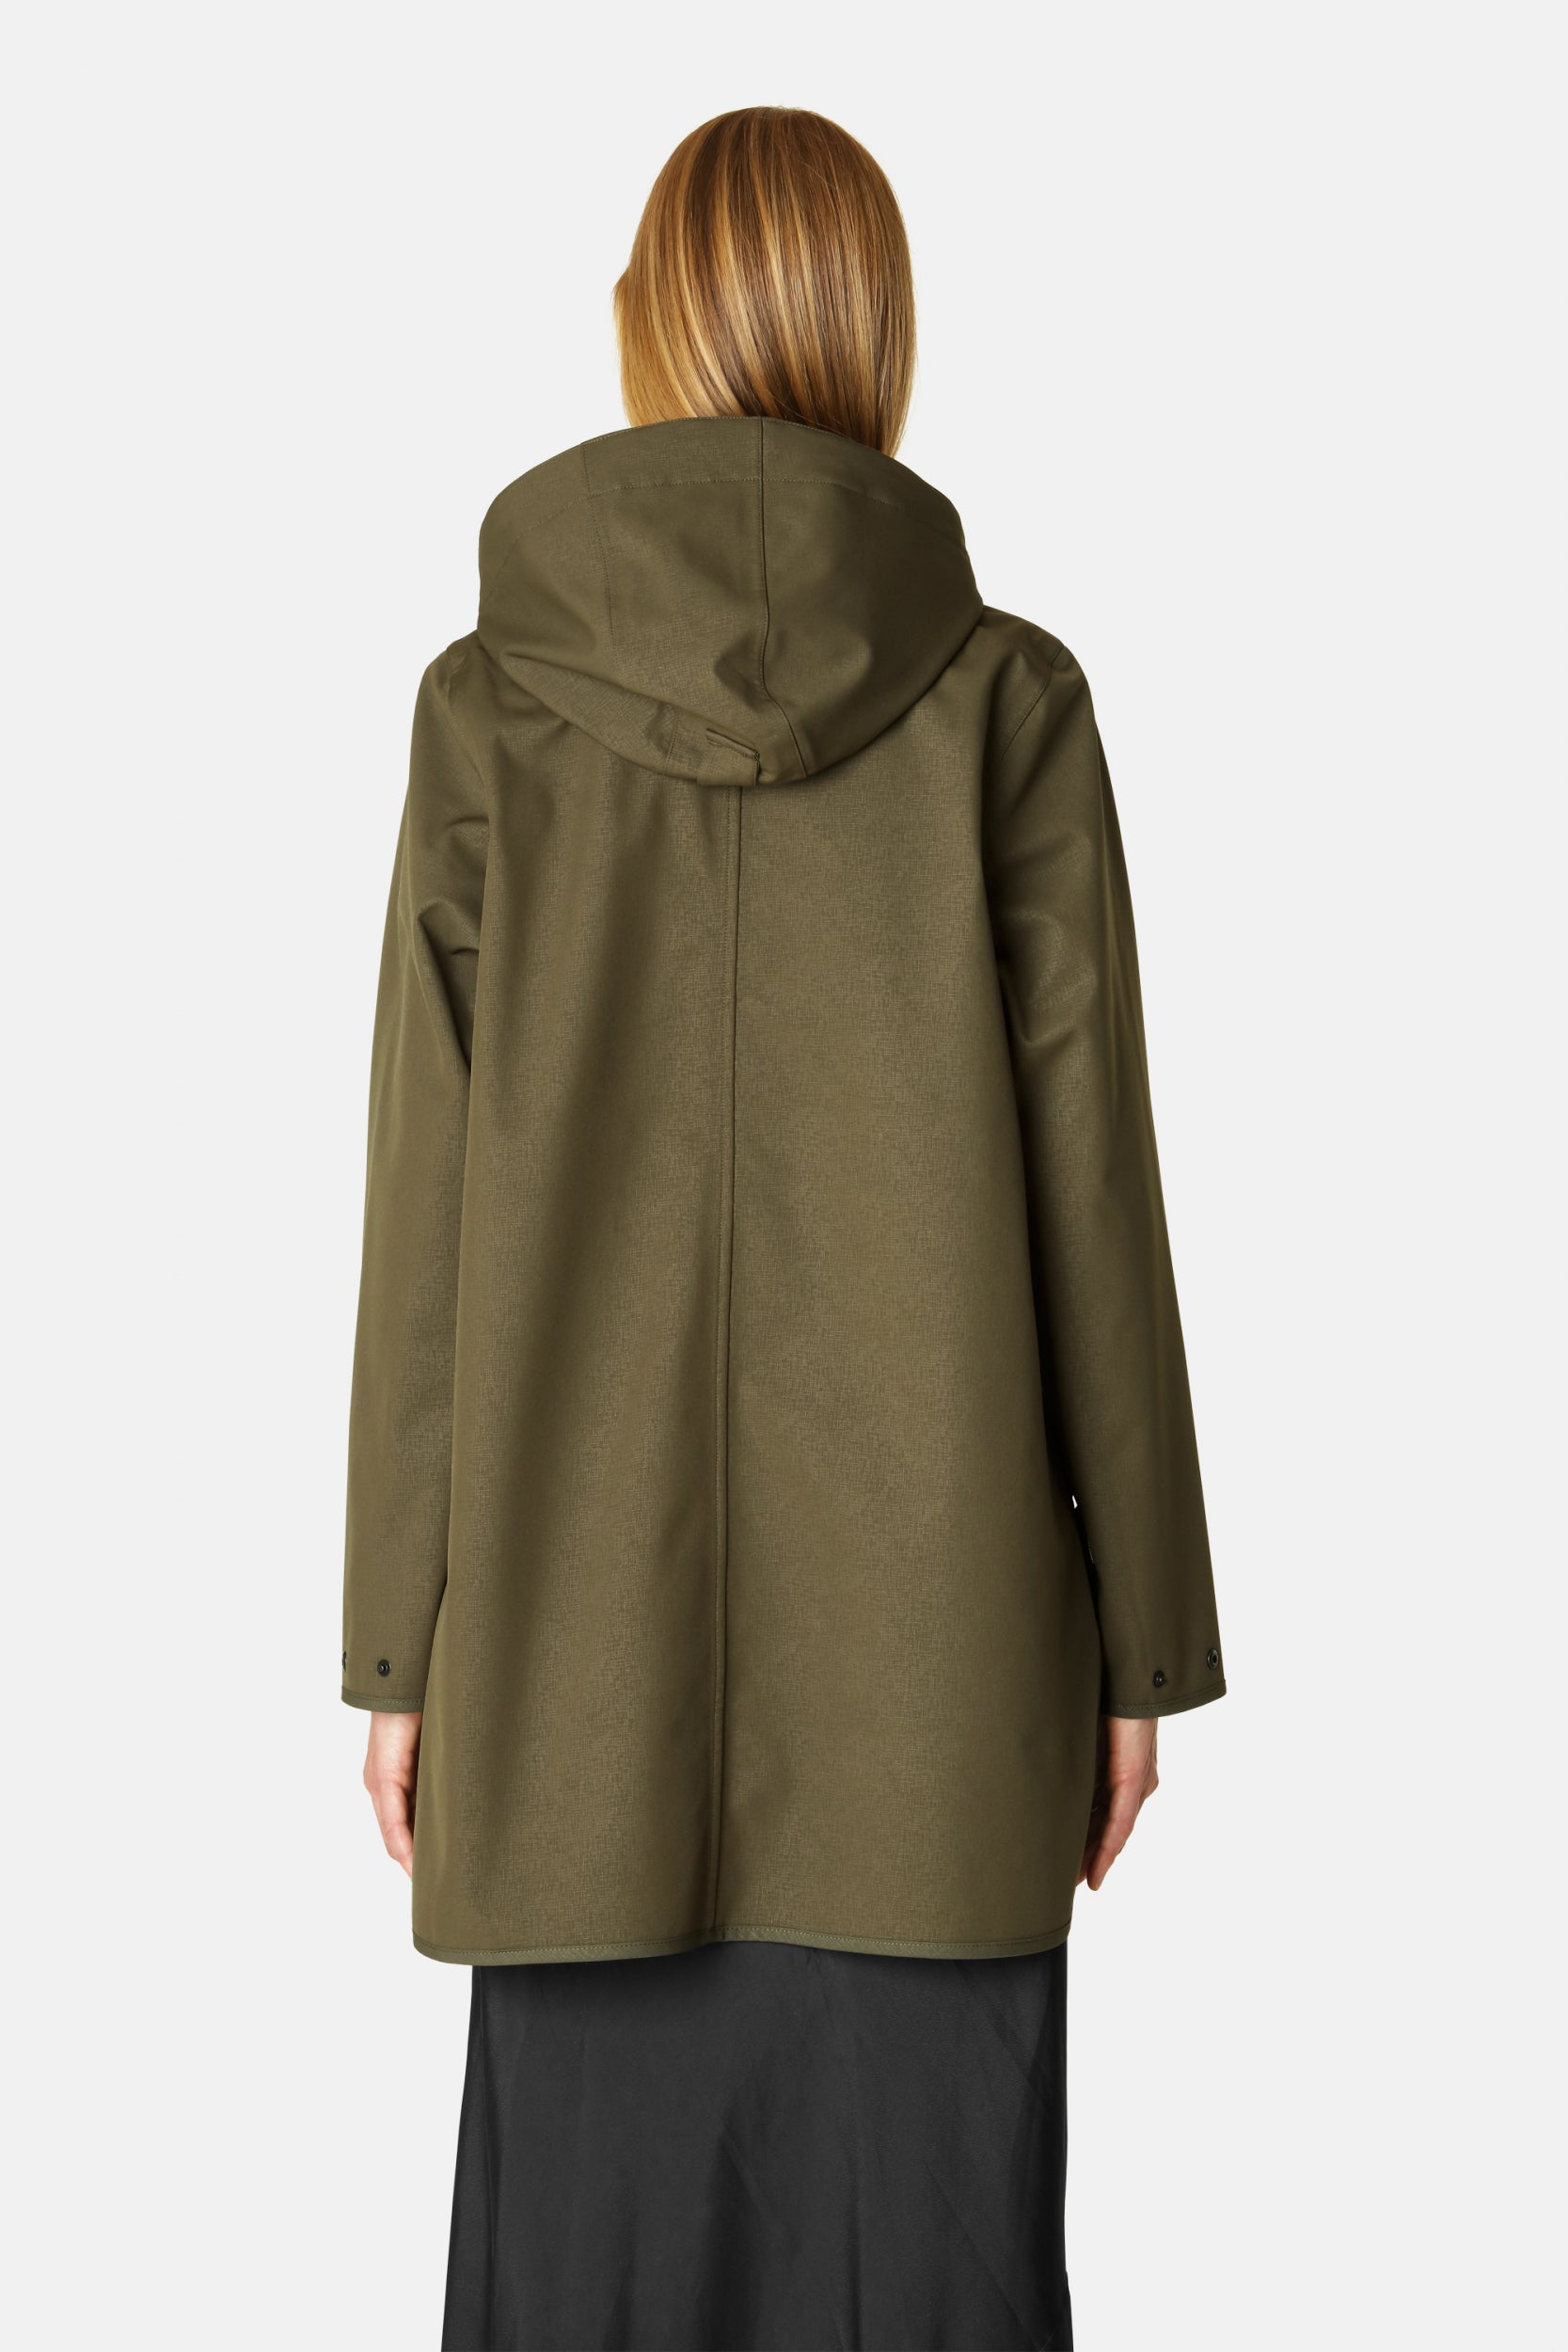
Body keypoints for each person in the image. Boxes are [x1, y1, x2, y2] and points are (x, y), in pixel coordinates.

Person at [343, 104, 1225, 2352]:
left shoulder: (488, 713)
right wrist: (1136, 1643)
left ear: (647, 323)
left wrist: (404, 1646)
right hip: (940, 1708)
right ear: (878, 332)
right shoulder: (1008, 702)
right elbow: (1095, 1195)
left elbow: (426, 1209)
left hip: (570, 1685)